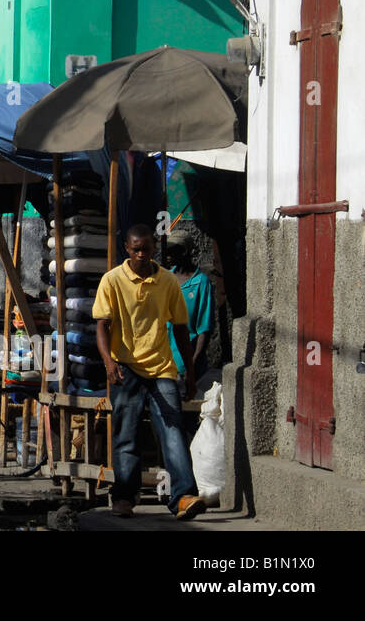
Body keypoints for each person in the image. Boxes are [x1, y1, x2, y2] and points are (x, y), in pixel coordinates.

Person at [94, 223, 205, 520]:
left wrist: (190, 372)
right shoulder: (112, 280)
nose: (141, 254)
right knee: (126, 435)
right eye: (135, 249)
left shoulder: (168, 281)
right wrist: (109, 362)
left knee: (173, 432)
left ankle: (183, 496)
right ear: (127, 250)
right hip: (126, 369)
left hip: (161, 368)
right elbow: (102, 325)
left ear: (155, 248)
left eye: (146, 248)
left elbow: (181, 329)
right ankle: (125, 497)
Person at [165, 236, 215, 383]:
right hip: (162, 364)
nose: (167, 255)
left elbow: (204, 330)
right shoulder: (165, 279)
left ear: (184, 252)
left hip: (184, 367)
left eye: (171, 251)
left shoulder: (201, 283)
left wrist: (191, 366)